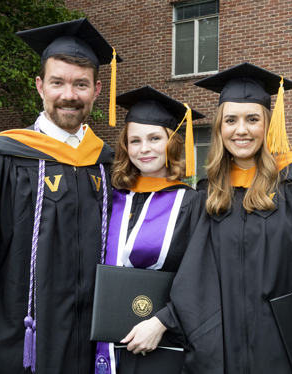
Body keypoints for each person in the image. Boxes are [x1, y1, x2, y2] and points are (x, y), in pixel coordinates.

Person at [132, 63, 292, 373]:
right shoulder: (211, 191)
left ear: (268, 124)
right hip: (222, 343)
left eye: (252, 119)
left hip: (285, 344)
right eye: (231, 120)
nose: (242, 130)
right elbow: (195, 272)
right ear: (221, 128)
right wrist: (163, 318)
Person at [0, 18, 122, 374]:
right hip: (20, 340)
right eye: (57, 82)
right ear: (40, 86)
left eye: (81, 84)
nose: (69, 95)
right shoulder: (6, 155)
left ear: (97, 89)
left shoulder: (108, 164)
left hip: (94, 345)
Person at [94, 85, 206, 374]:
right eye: (135, 141)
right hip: (101, 339)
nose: (144, 149)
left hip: (161, 344)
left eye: (155, 138)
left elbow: (202, 275)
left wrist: (163, 321)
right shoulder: (110, 197)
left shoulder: (192, 203)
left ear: (173, 143)